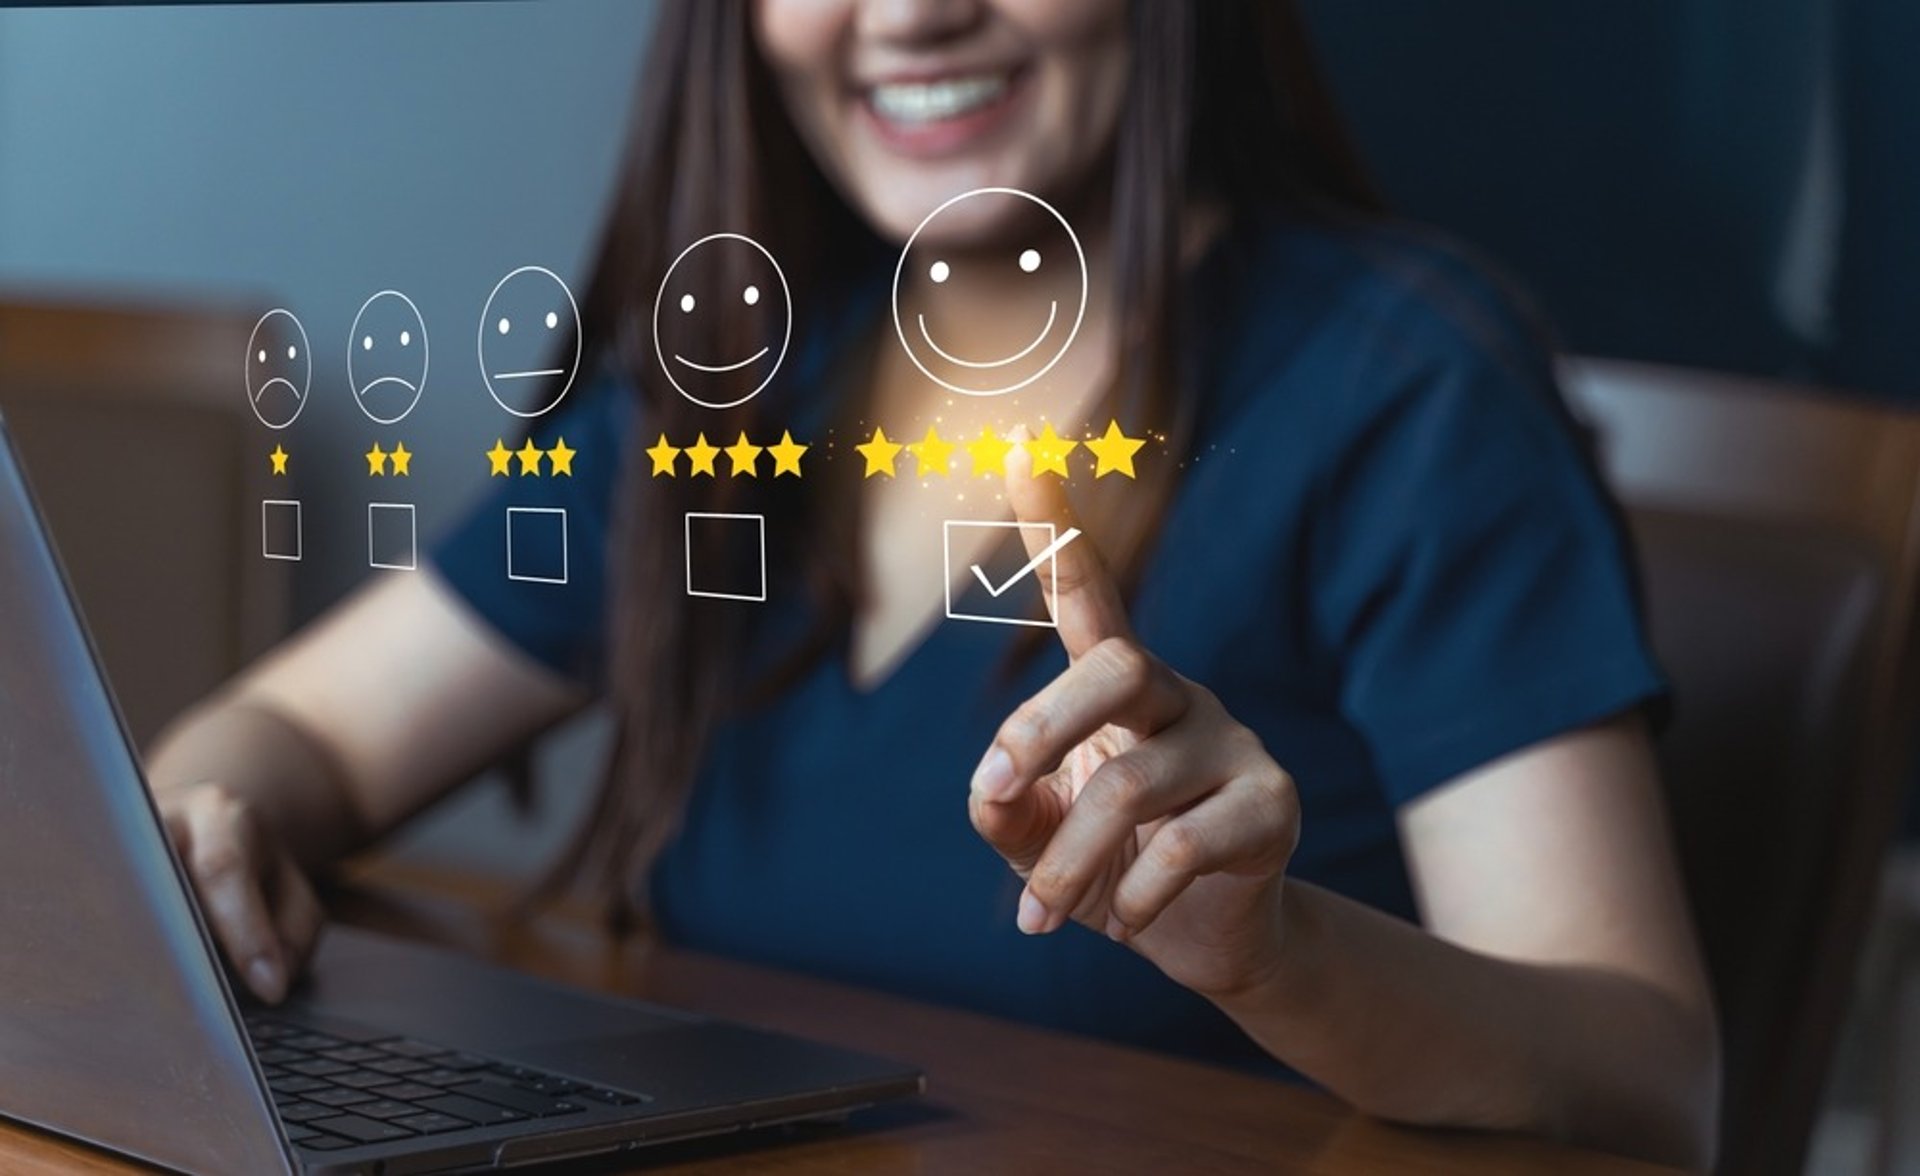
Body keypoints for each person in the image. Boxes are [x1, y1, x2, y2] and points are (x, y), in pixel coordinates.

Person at [149, 0, 1721, 1166]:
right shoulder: (731, 380)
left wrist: (1278, 954)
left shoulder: (1407, 387)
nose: (906, 15)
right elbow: (303, 739)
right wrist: (203, 830)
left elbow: (1649, 1076)